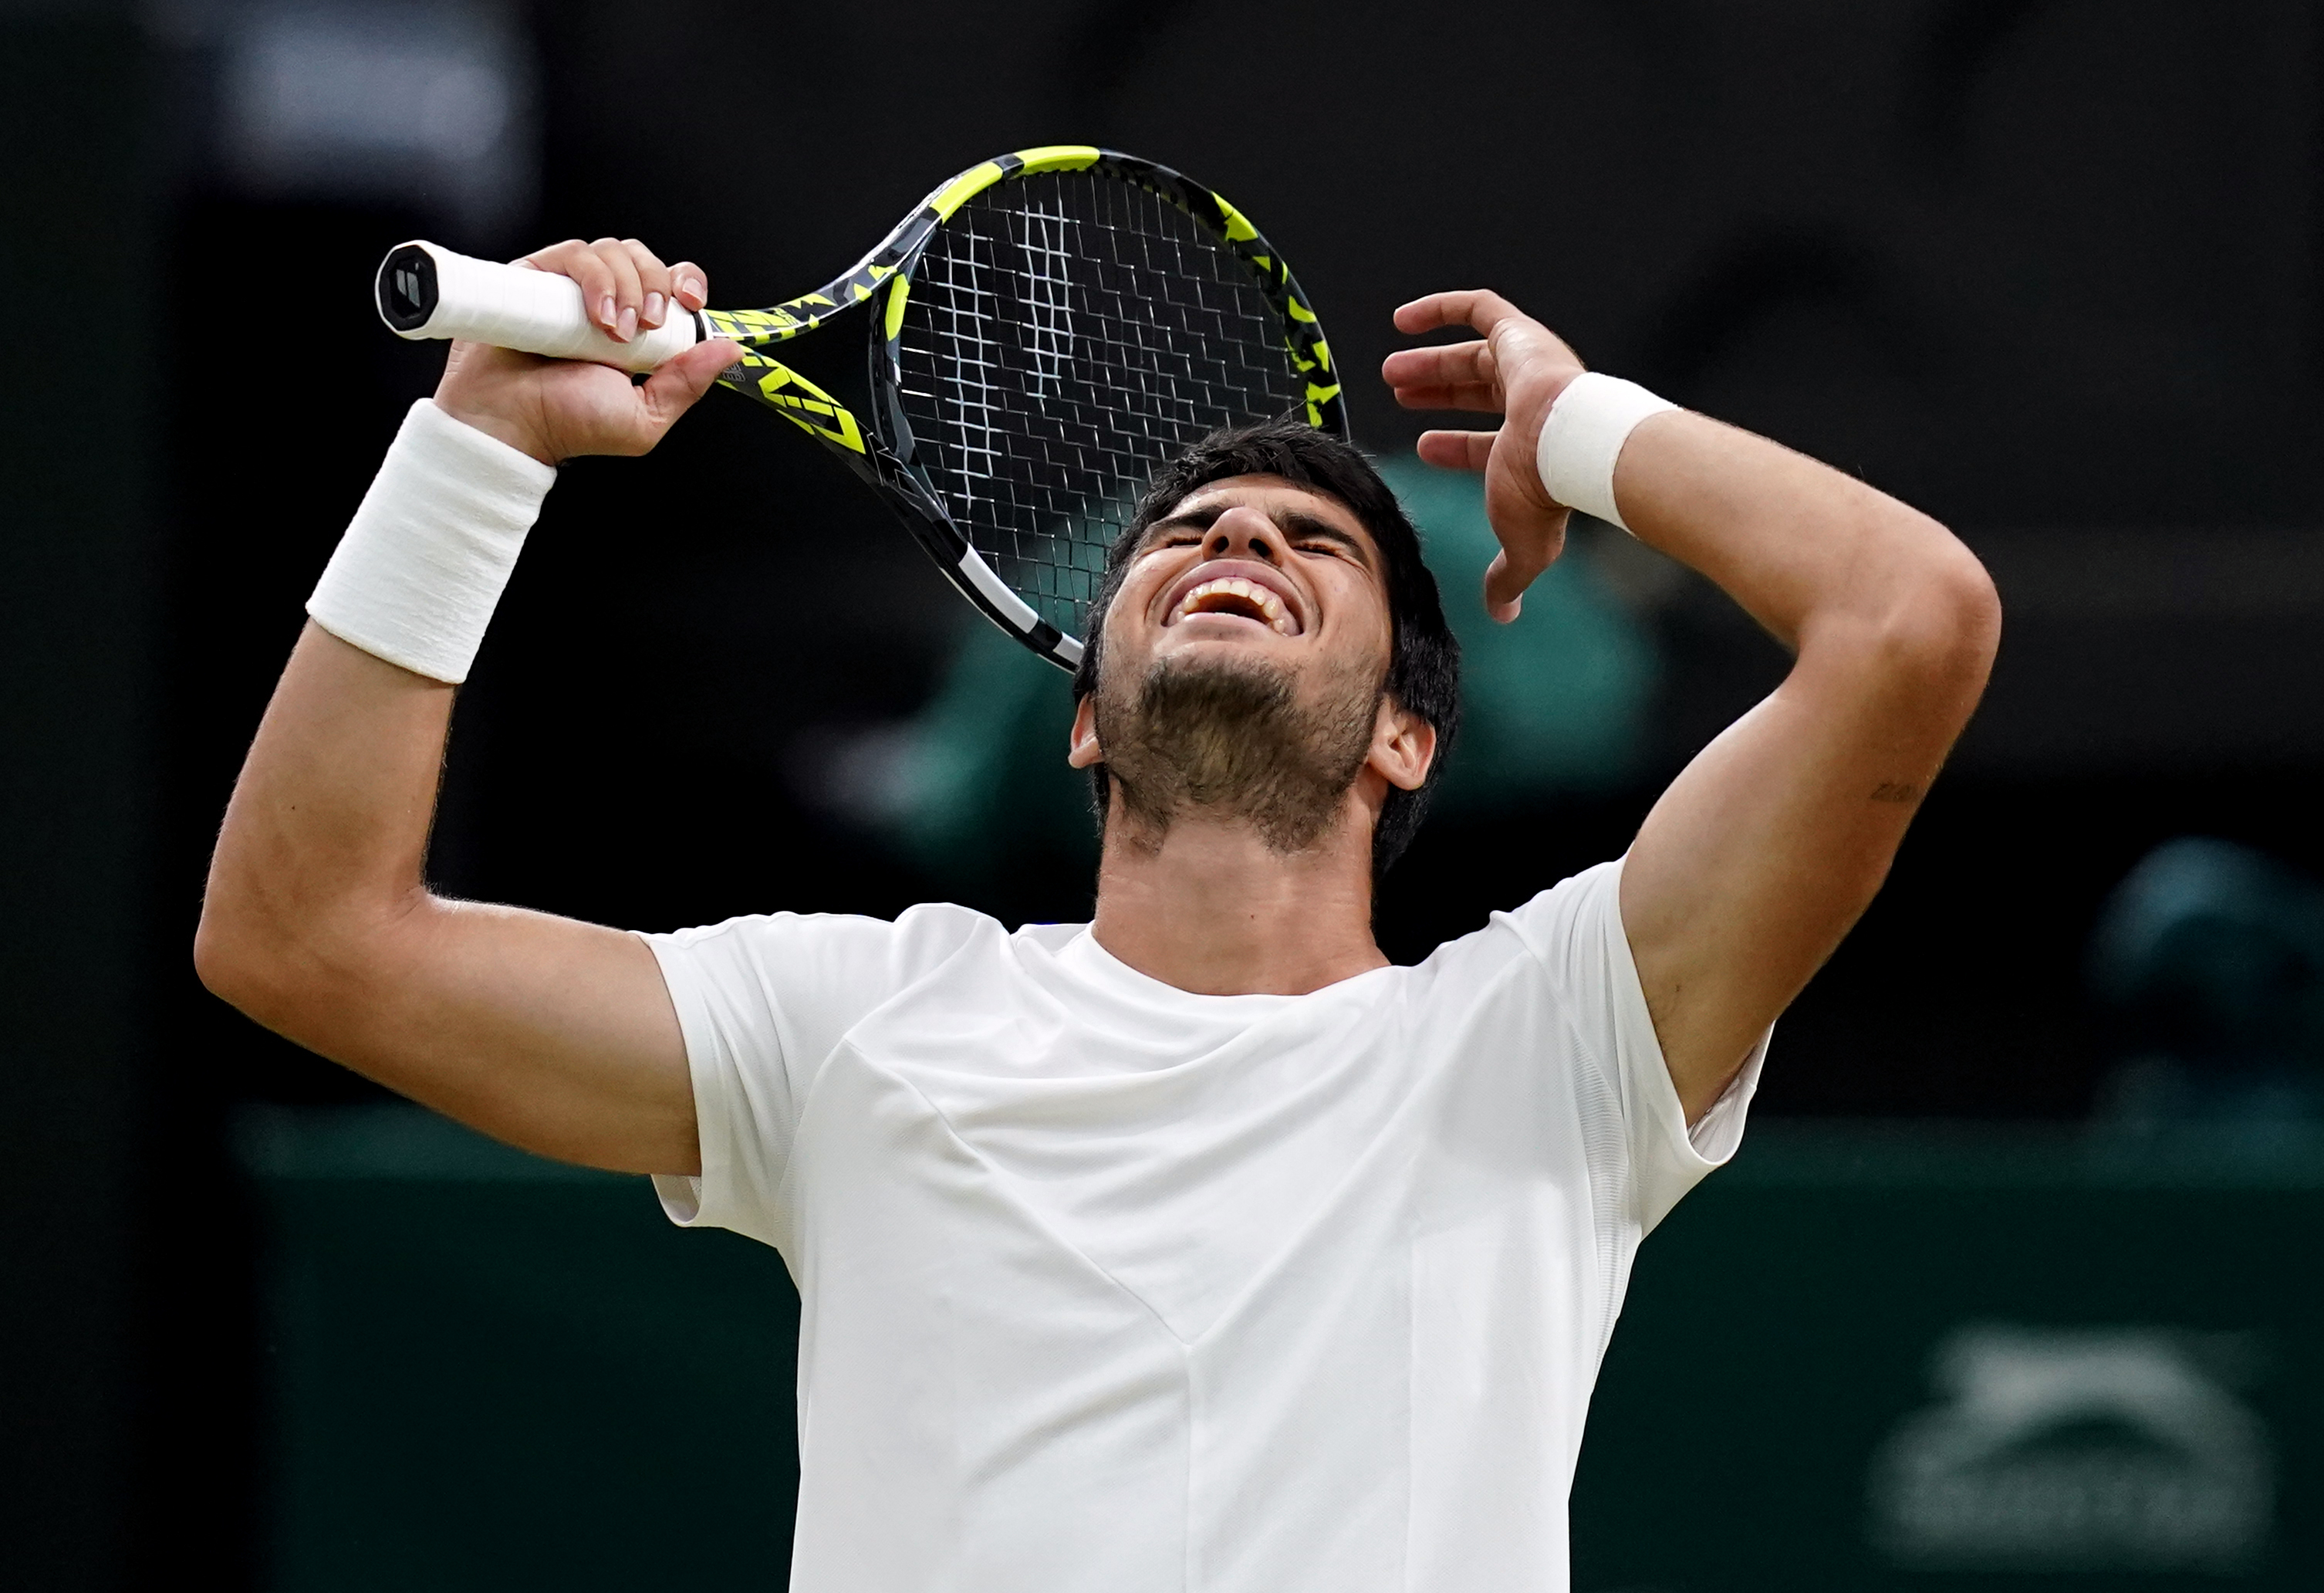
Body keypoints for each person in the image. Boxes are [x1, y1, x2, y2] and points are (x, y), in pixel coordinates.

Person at [196, 238, 2000, 1591]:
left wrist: (1579, 429)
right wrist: (477, 451)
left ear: (1405, 734)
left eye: (1318, 546)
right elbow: (304, 939)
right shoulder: (851, 1026)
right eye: (1185, 531)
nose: (1237, 542)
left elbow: (1909, 621)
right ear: (1083, 711)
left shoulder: (1556, 1040)